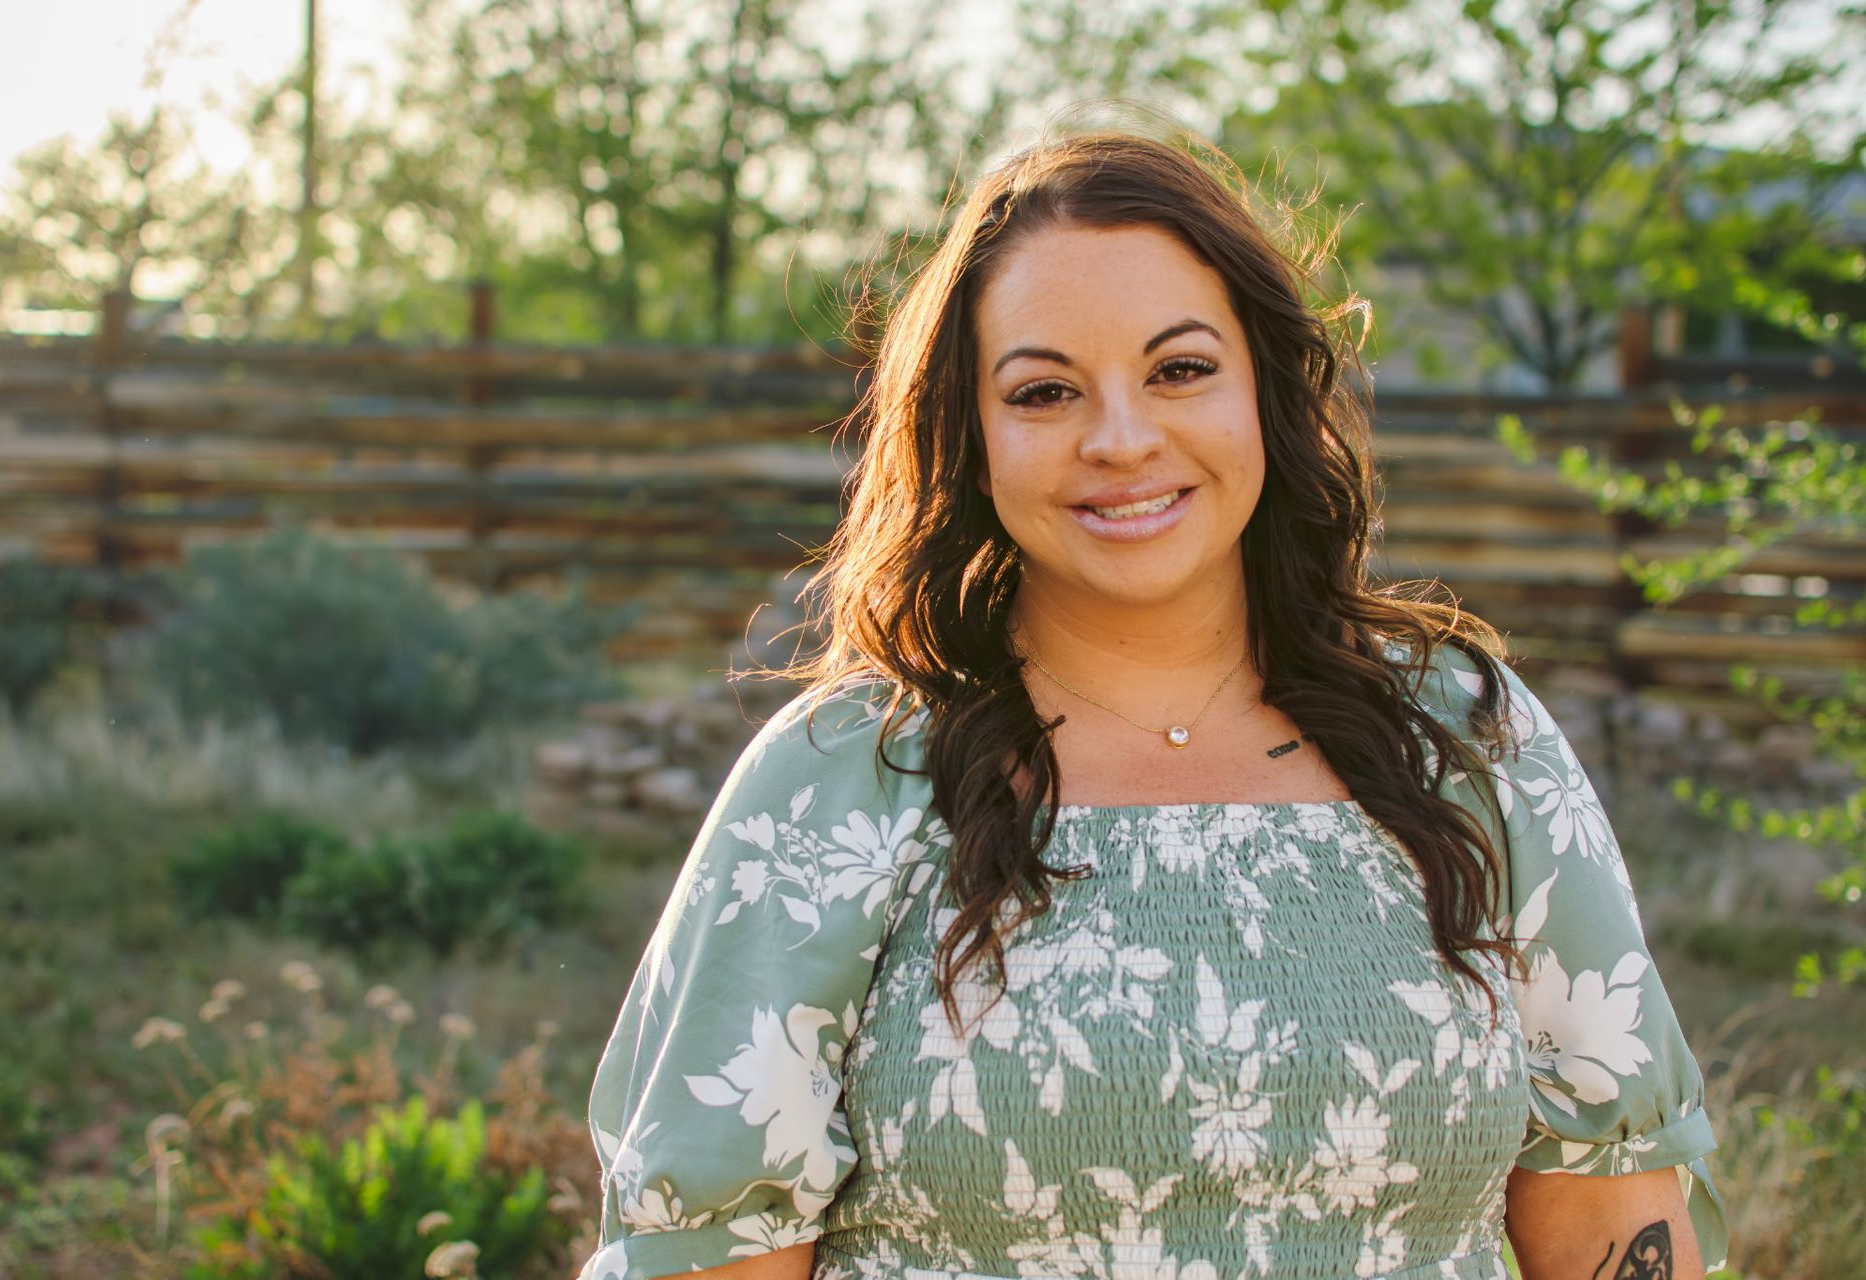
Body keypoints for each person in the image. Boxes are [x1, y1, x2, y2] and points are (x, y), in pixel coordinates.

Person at [582, 123, 1726, 1280]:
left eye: (1180, 369)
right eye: (1044, 391)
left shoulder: (1468, 739)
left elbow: (1610, 1224)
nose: (1121, 440)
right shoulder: (838, 778)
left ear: (1268, 391)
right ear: (970, 437)